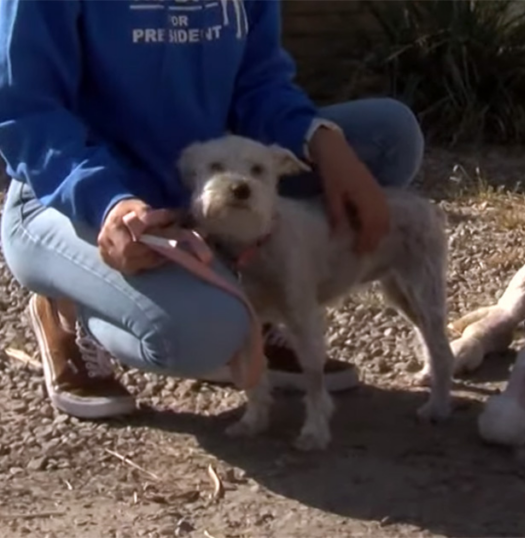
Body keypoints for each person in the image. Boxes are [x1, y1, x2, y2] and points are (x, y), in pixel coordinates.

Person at [0, 0, 425, 419]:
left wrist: (320, 140)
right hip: (76, 192)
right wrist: (106, 200)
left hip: (197, 180)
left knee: (388, 138)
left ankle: (248, 295)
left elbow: (258, 82)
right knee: (205, 335)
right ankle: (70, 301)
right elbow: (24, 110)